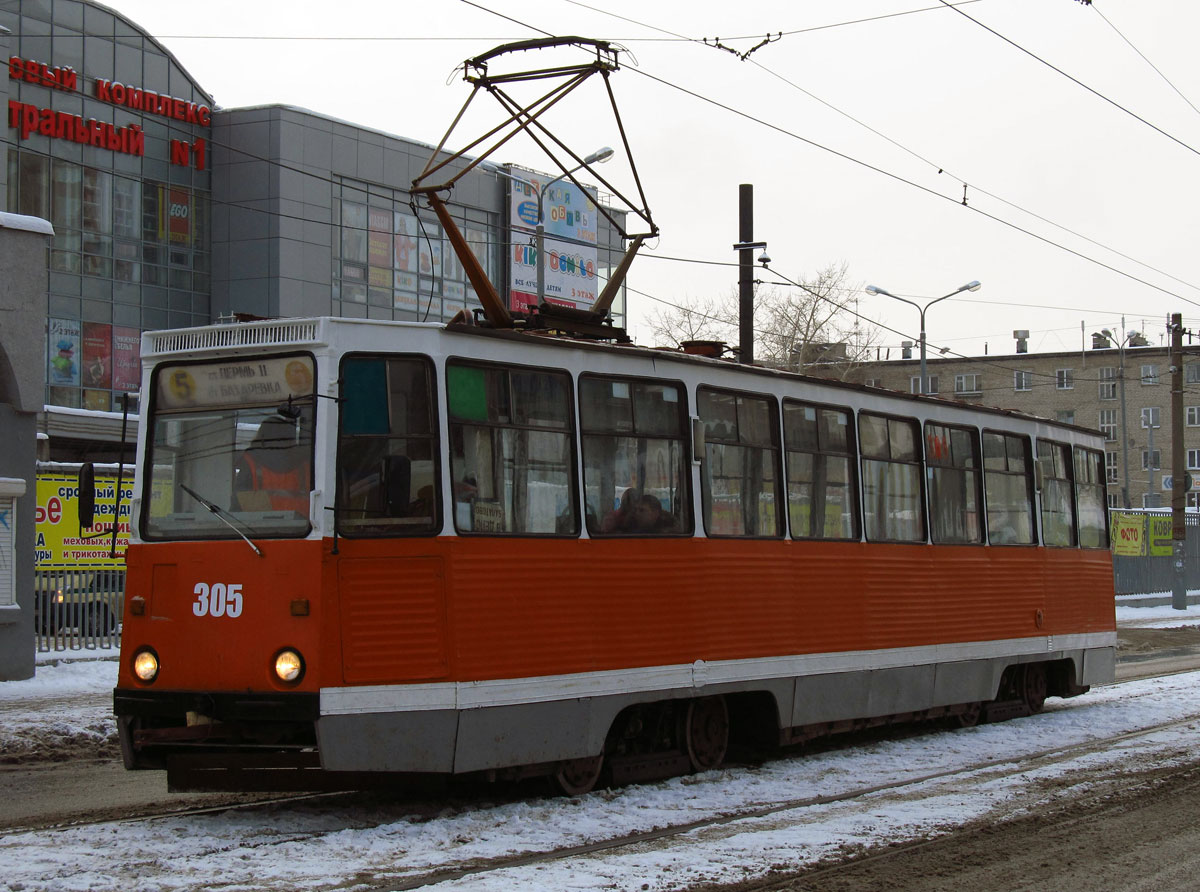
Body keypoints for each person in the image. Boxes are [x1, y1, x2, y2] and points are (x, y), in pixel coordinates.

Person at [234, 415, 311, 513]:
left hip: (260, 526)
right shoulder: (307, 464)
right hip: (308, 524)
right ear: (291, 440)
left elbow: (238, 505)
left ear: (262, 438)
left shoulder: (250, 463)